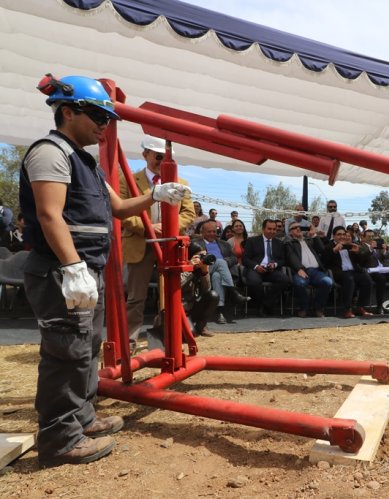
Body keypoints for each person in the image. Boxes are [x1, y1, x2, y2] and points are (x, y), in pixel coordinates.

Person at [20, 74, 191, 466]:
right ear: (67, 111)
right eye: (97, 114)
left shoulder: (88, 163)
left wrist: (155, 195)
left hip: (84, 269)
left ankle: (82, 419)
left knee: (84, 350)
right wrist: (73, 266)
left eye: (108, 117)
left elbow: (117, 208)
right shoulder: (51, 152)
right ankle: (60, 440)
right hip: (62, 271)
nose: (104, 124)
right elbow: (49, 215)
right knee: (66, 353)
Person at [121, 135, 195, 352]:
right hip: (140, 245)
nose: (162, 162)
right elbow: (123, 212)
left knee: (171, 295)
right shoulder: (128, 180)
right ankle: (129, 341)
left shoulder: (182, 184)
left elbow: (188, 213)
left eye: (167, 158)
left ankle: (169, 336)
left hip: (169, 246)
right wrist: (149, 228)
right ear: (145, 155)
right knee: (136, 297)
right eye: (158, 156)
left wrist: (169, 227)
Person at [194, 220, 250, 324]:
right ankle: (234, 292)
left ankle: (220, 312)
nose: (212, 234)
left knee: (217, 276)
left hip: (221, 272)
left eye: (214, 231)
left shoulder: (224, 244)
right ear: (203, 233)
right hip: (204, 270)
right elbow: (193, 259)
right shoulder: (196, 244)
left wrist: (226, 261)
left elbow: (233, 258)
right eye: (209, 232)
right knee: (219, 261)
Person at [323, 226, 373, 318]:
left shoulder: (350, 245)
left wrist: (358, 252)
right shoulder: (328, 246)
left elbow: (362, 263)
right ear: (334, 236)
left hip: (352, 271)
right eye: (339, 234)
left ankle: (360, 307)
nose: (342, 236)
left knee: (366, 278)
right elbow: (324, 263)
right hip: (338, 273)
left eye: (343, 234)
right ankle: (347, 309)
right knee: (349, 279)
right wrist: (334, 251)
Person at [242, 219, 290, 316]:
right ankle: (262, 306)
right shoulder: (252, 241)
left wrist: (274, 264)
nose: (272, 231)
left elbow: (283, 260)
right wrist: (256, 266)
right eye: (269, 229)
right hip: (256, 269)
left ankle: (265, 304)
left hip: (271, 270)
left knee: (285, 280)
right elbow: (245, 259)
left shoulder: (279, 243)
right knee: (253, 281)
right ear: (263, 229)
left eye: (274, 229)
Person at [285, 220, 332, 317]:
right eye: (294, 228)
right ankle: (304, 308)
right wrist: (299, 269)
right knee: (300, 283)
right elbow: (291, 256)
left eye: (300, 227)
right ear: (290, 232)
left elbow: (322, 250)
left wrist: (314, 235)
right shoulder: (289, 243)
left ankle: (318, 308)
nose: (298, 228)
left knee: (327, 282)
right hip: (301, 271)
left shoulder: (310, 240)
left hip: (316, 271)